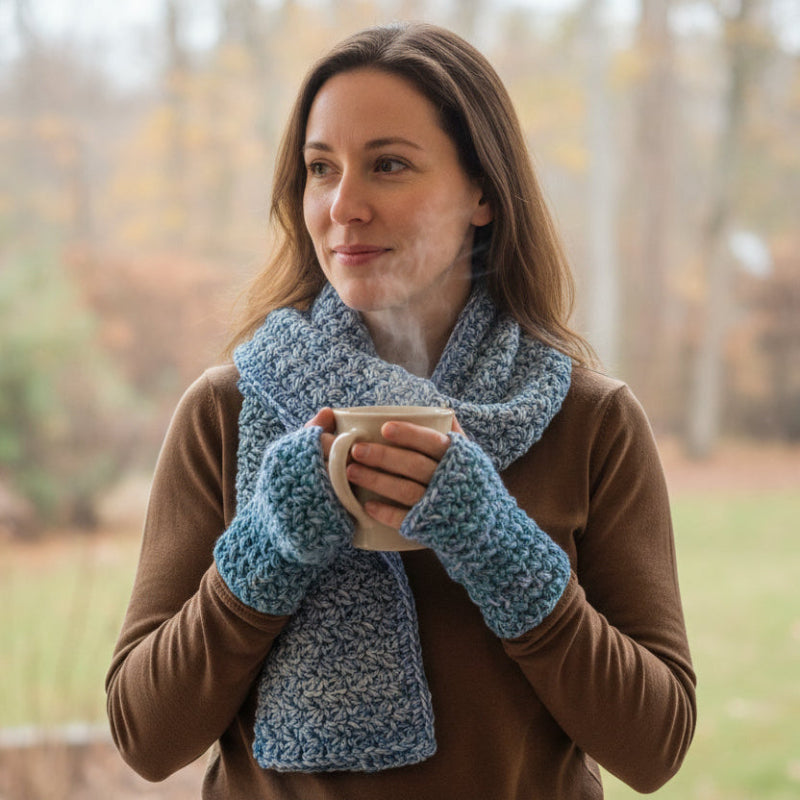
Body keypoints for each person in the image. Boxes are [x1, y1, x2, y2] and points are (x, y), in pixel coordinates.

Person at [106, 21, 696, 800]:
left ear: (483, 191)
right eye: (321, 169)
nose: (344, 205)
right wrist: (270, 545)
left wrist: (495, 545)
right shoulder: (226, 411)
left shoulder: (589, 422)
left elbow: (654, 748)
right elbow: (146, 737)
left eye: (388, 165)